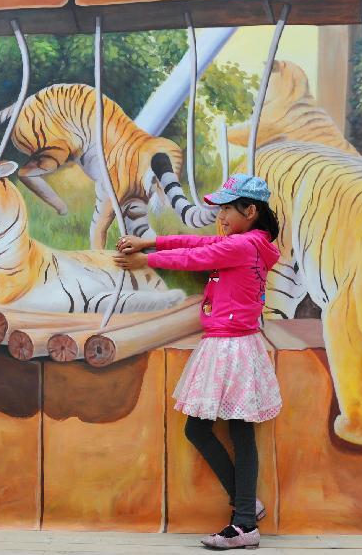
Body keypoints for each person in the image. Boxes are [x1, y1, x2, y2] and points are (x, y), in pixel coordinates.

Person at [115, 173, 282, 550]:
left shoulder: (246, 245)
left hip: (232, 346)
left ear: (250, 211)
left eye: (226, 209)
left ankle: (243, 525)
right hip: (227, 344)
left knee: (239, 432)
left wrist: (148, 259)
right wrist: (150, 240)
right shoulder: (248, 242)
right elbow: (198, 242)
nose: (220, 216)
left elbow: (197, 256)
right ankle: (245, 506)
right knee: (201, 430)